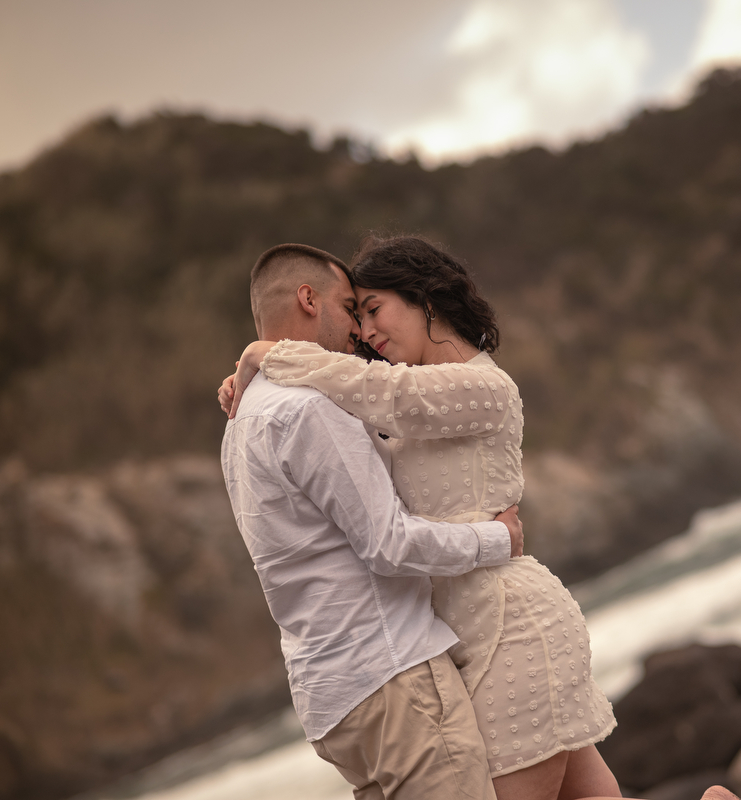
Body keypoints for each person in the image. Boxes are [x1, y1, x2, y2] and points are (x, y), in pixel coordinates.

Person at [221, 236, 741, 800]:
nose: (364, 332)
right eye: (356, 313)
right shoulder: (396, 407)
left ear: (425, 300)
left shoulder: (482, 386)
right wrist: (265, 378)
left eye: (373, 310)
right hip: (460, 636)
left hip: (509, 624)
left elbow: (379, 390)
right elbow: (356, 432)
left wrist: (269, 355)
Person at [220, 242, 525, 800]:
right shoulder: (309, 408)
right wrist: (496, 540)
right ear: (308, 300)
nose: (359, 330)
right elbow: (387, 543)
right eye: (347, 307)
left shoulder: (240, 420)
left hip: (330, 700)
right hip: (391, 673)